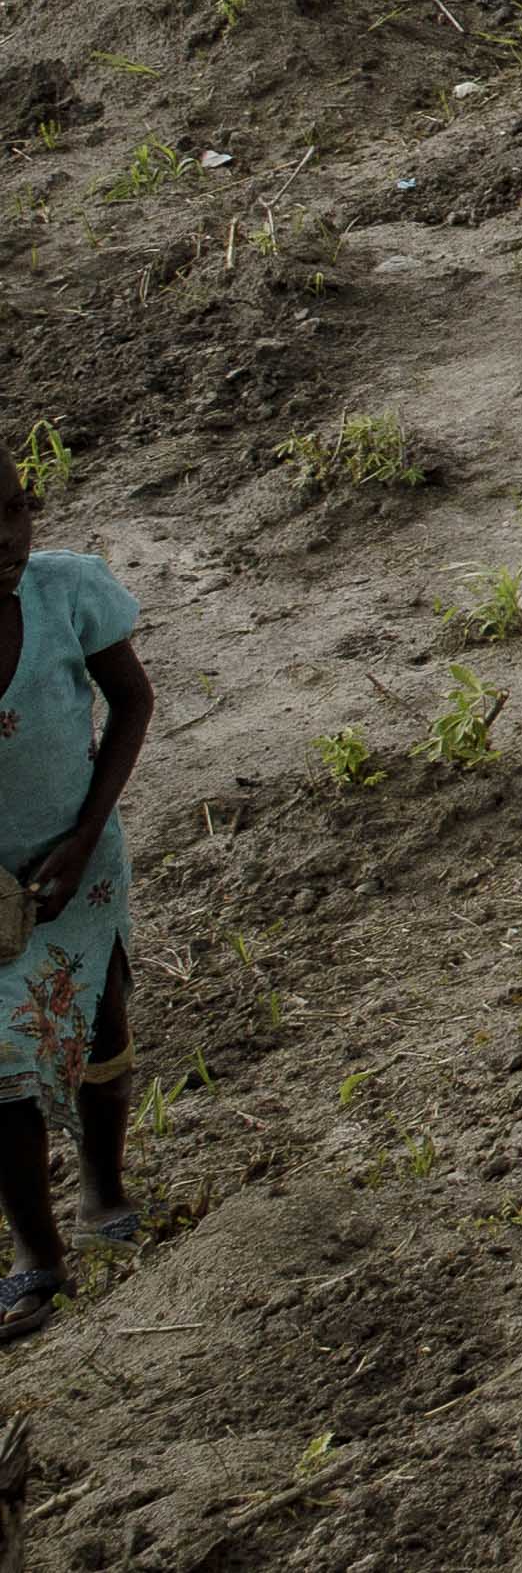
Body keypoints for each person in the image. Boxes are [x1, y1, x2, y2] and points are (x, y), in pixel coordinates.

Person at [1, 479, 153, 1342]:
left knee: (98, 1018)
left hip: (82, 868)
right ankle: (38, 1256)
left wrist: (88, 833)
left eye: (14, 509)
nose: (4, 536)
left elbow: (131, 702)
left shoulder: (64, 592)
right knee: (0, 1070)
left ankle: (103, 1183)